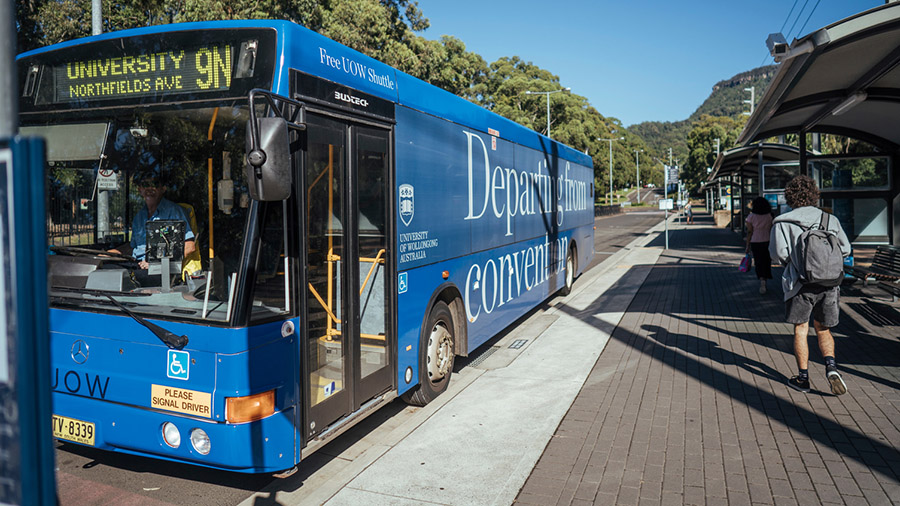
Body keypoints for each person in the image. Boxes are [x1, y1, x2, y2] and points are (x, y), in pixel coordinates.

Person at [769, 175, 851, 395]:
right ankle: (832, 368)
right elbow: (845, 249)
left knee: (801, 329)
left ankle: (803, 378)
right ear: (815, 194)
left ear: (790, 197)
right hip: (829, 284)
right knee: (823, 329)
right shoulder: (829, 219)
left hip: (799, 284)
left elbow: (778, 255)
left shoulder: (782, 222)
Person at [110, 170, 196, 270]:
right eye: (145, 185)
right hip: (137, 265)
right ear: (139, 190)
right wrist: (109, 253)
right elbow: (134, 247)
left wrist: (158, 263)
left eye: (154, 184)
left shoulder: (174, 211)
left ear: (163, 189)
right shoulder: (139, 217)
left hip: (163, 271)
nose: (150, 188)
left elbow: (189, 246)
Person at [746, 197, 774, 294]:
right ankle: (765, 279)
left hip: (755, 241)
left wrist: (747, 245)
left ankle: (761, 280)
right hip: (767, 241)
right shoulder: (769, 216)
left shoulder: (751, 217)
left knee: (758, 261)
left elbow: (749, 231)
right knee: (766, 261)